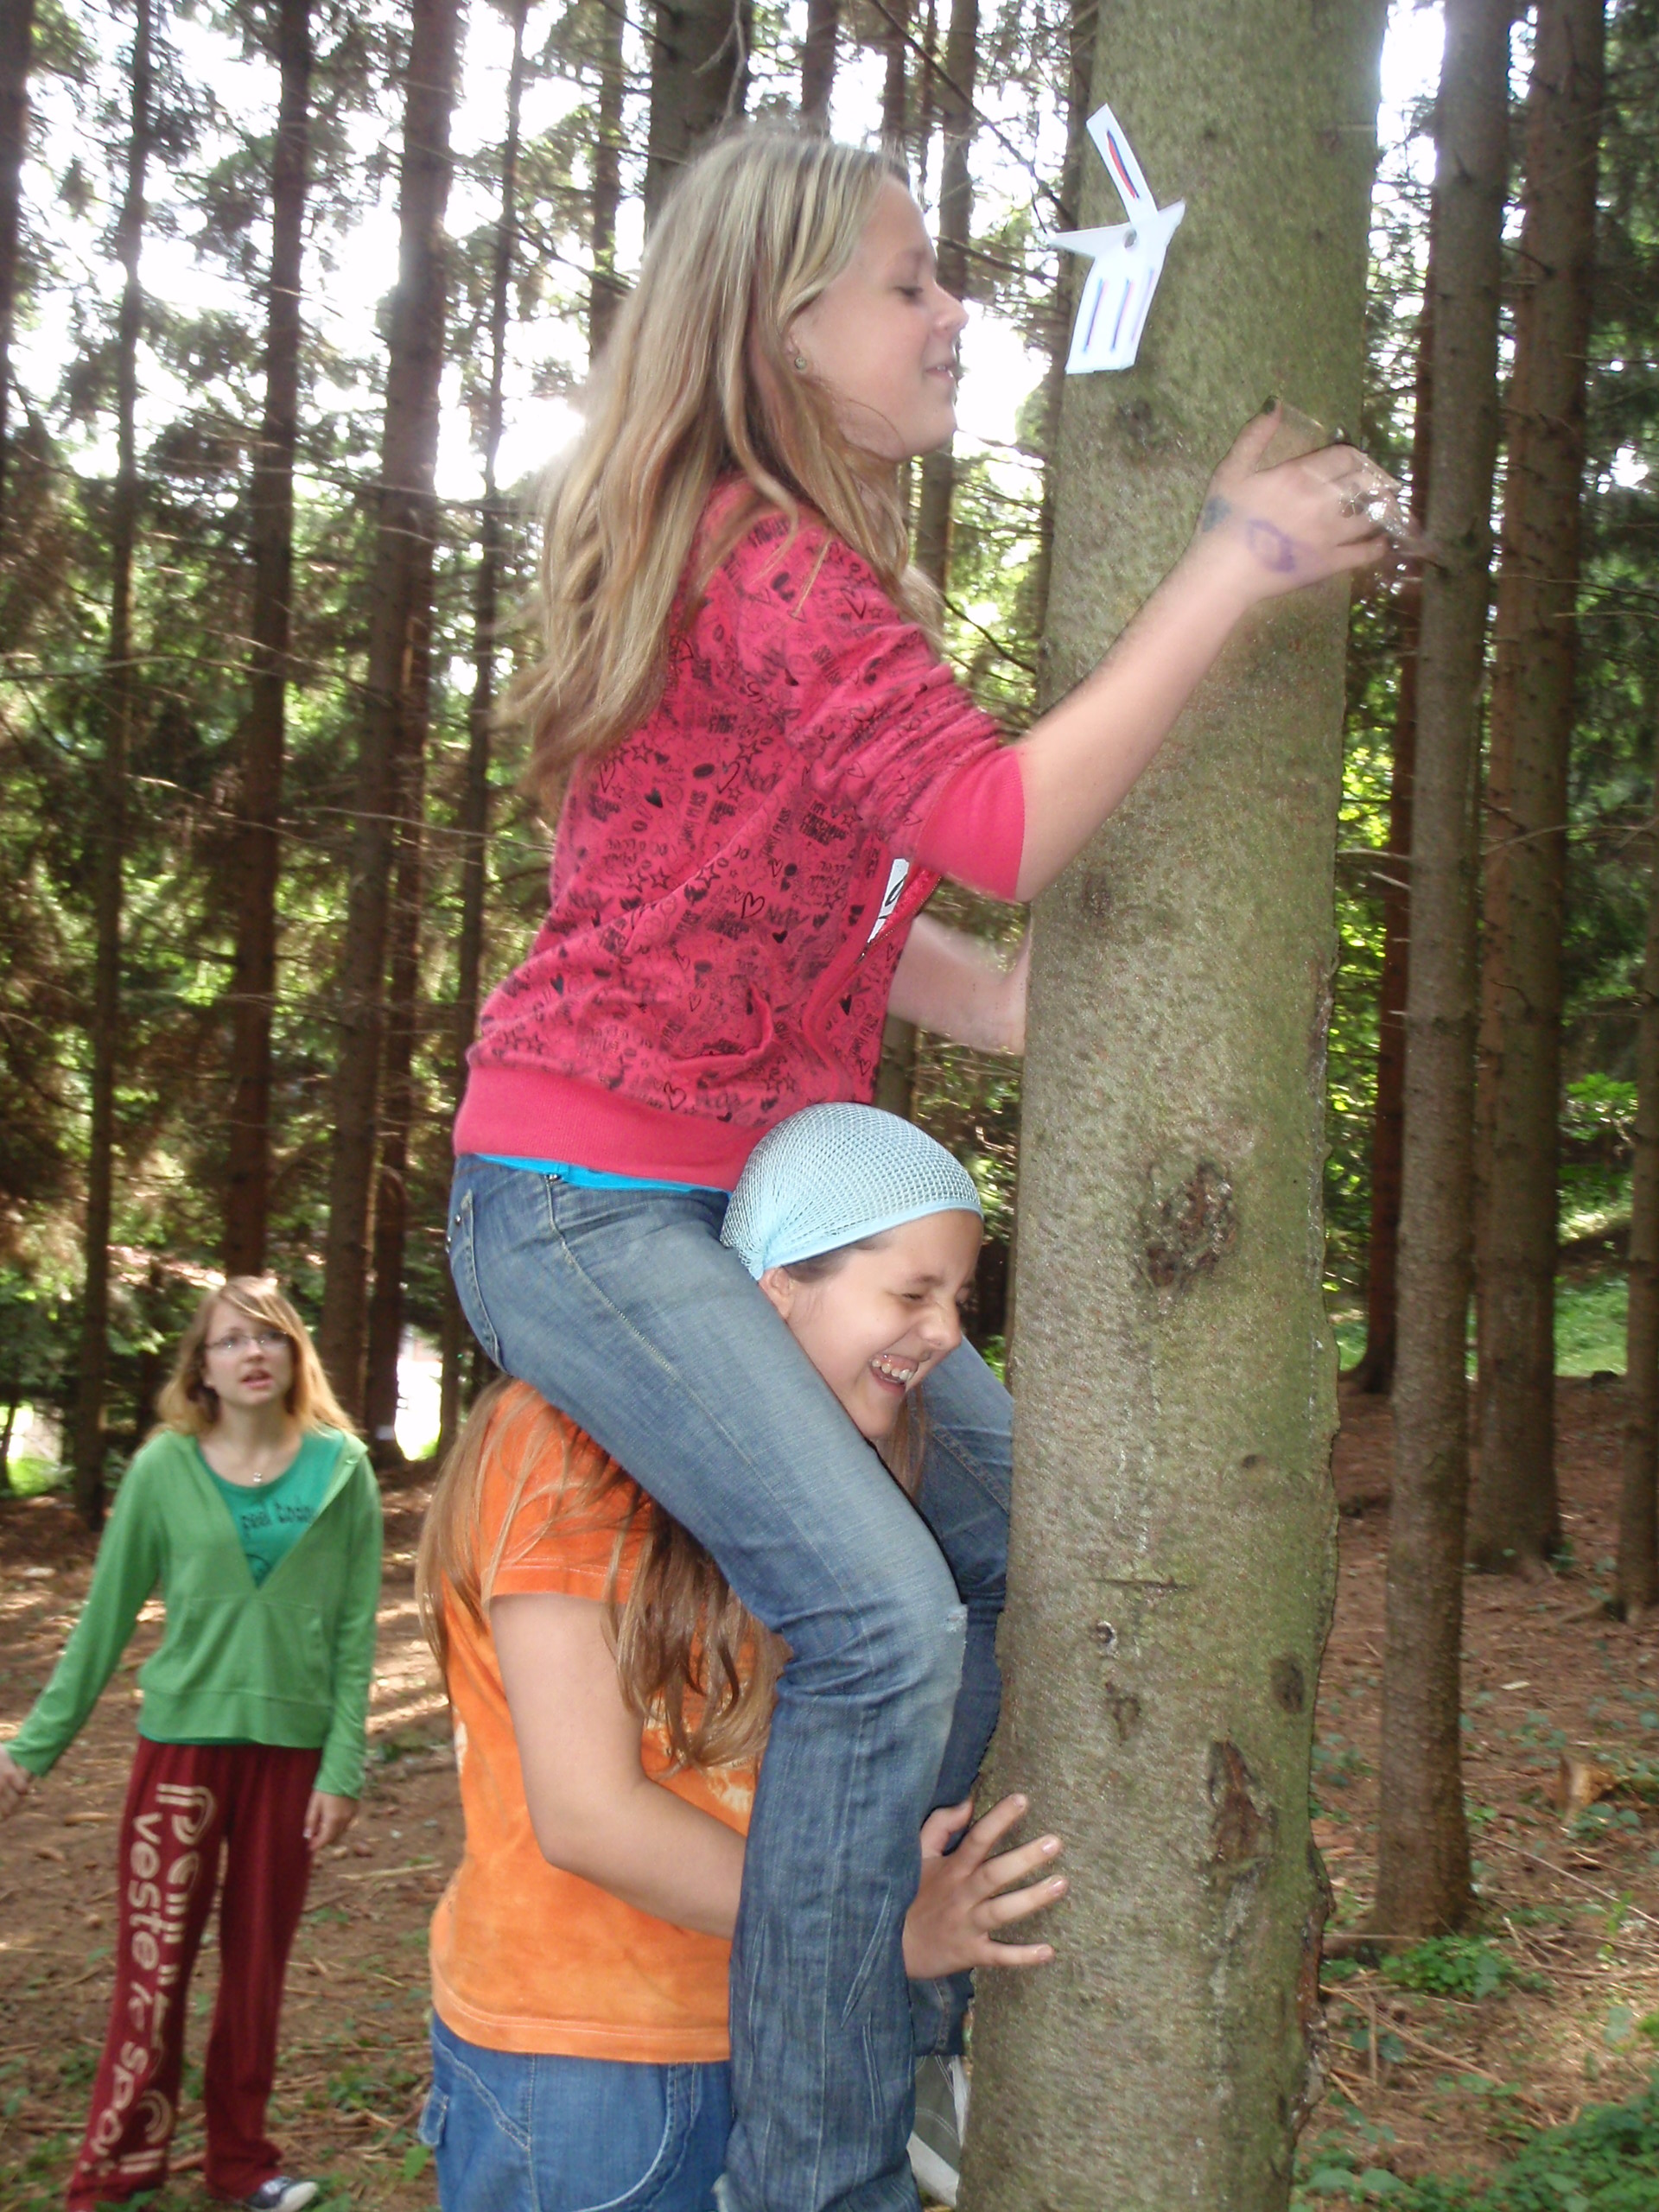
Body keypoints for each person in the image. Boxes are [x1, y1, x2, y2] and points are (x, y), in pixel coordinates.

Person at [444, 128, 1383, 2212]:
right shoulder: (764, 553)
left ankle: (889, 1997)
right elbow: (990, 824)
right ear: (780, 328)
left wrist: (1046, 1004)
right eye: (909, 281)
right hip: (582, 1201)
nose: (954, 310)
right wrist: (1230, 563)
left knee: (1017, 1533)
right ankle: (824, 2165)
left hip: (733, 1205)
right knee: (877, 1610)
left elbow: (824, 889)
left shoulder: (769, 560)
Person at [419, 1106, 1064, 2212]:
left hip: (776, 2037)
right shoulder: (563, 1436)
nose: (946, 1336)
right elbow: (589, 1815)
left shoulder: (835, 1490)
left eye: (960, 1300)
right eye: (913, 1294)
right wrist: (884, 1933)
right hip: (587, 2071)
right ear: (773, 1286)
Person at [0, 1278, 383, 2212]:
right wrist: (30, 1750)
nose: (253, 1353)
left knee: (257, 1972)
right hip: (181, 1755)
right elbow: (103, 1621)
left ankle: (241, 2163)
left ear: (295, 1355)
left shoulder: (343, 1469)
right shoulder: (163, 1469)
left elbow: (355, 1632)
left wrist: (342, 1768)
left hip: (291, 1760)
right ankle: (114, 2168)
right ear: (201, 1368)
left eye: (271, 1336)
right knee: (155, 1966)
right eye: (231, 1340)